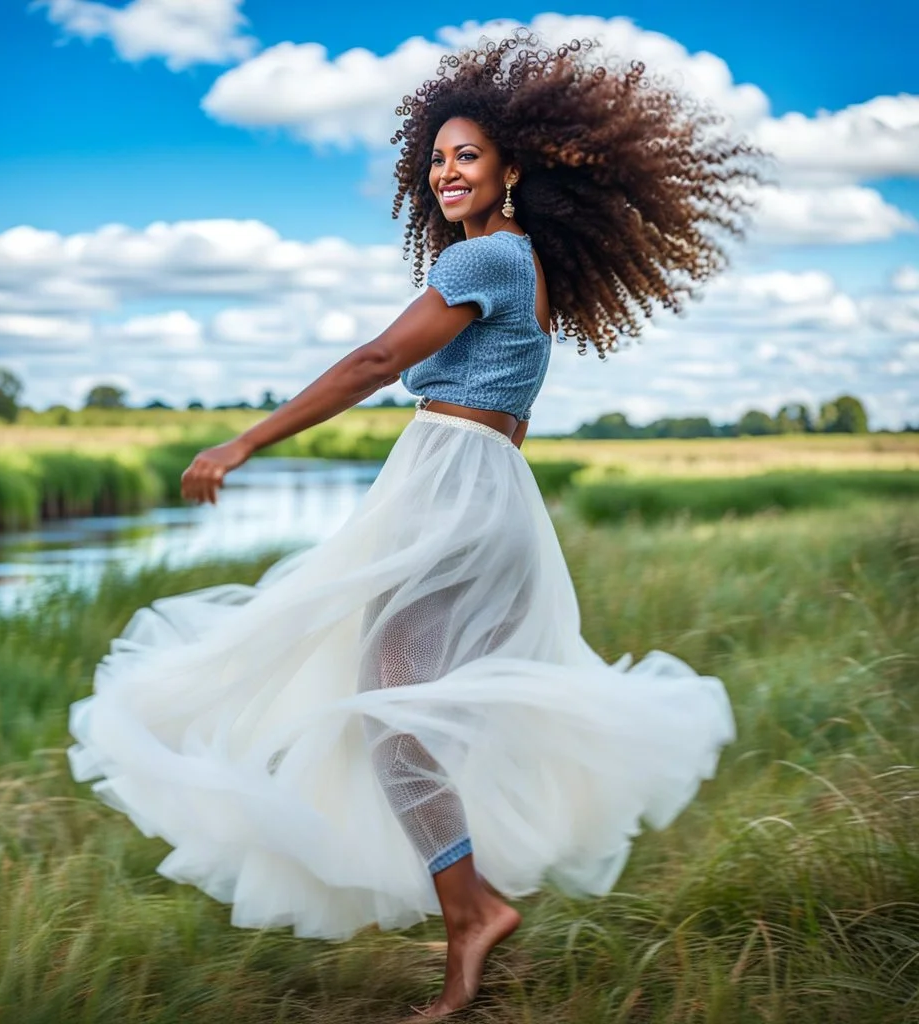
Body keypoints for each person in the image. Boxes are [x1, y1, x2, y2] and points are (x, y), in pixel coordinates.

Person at [68, 30, 761, 1020]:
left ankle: (472, 909)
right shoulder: (522, 264)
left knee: (388, 707)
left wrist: (242, 445)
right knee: (403, 702)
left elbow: (370, 362)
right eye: (435, 157)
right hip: (478, 486)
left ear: (512, 169)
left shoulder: (488, 258)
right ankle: (469, 902)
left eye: (465, 154)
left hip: (450, 485)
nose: (445, 171)